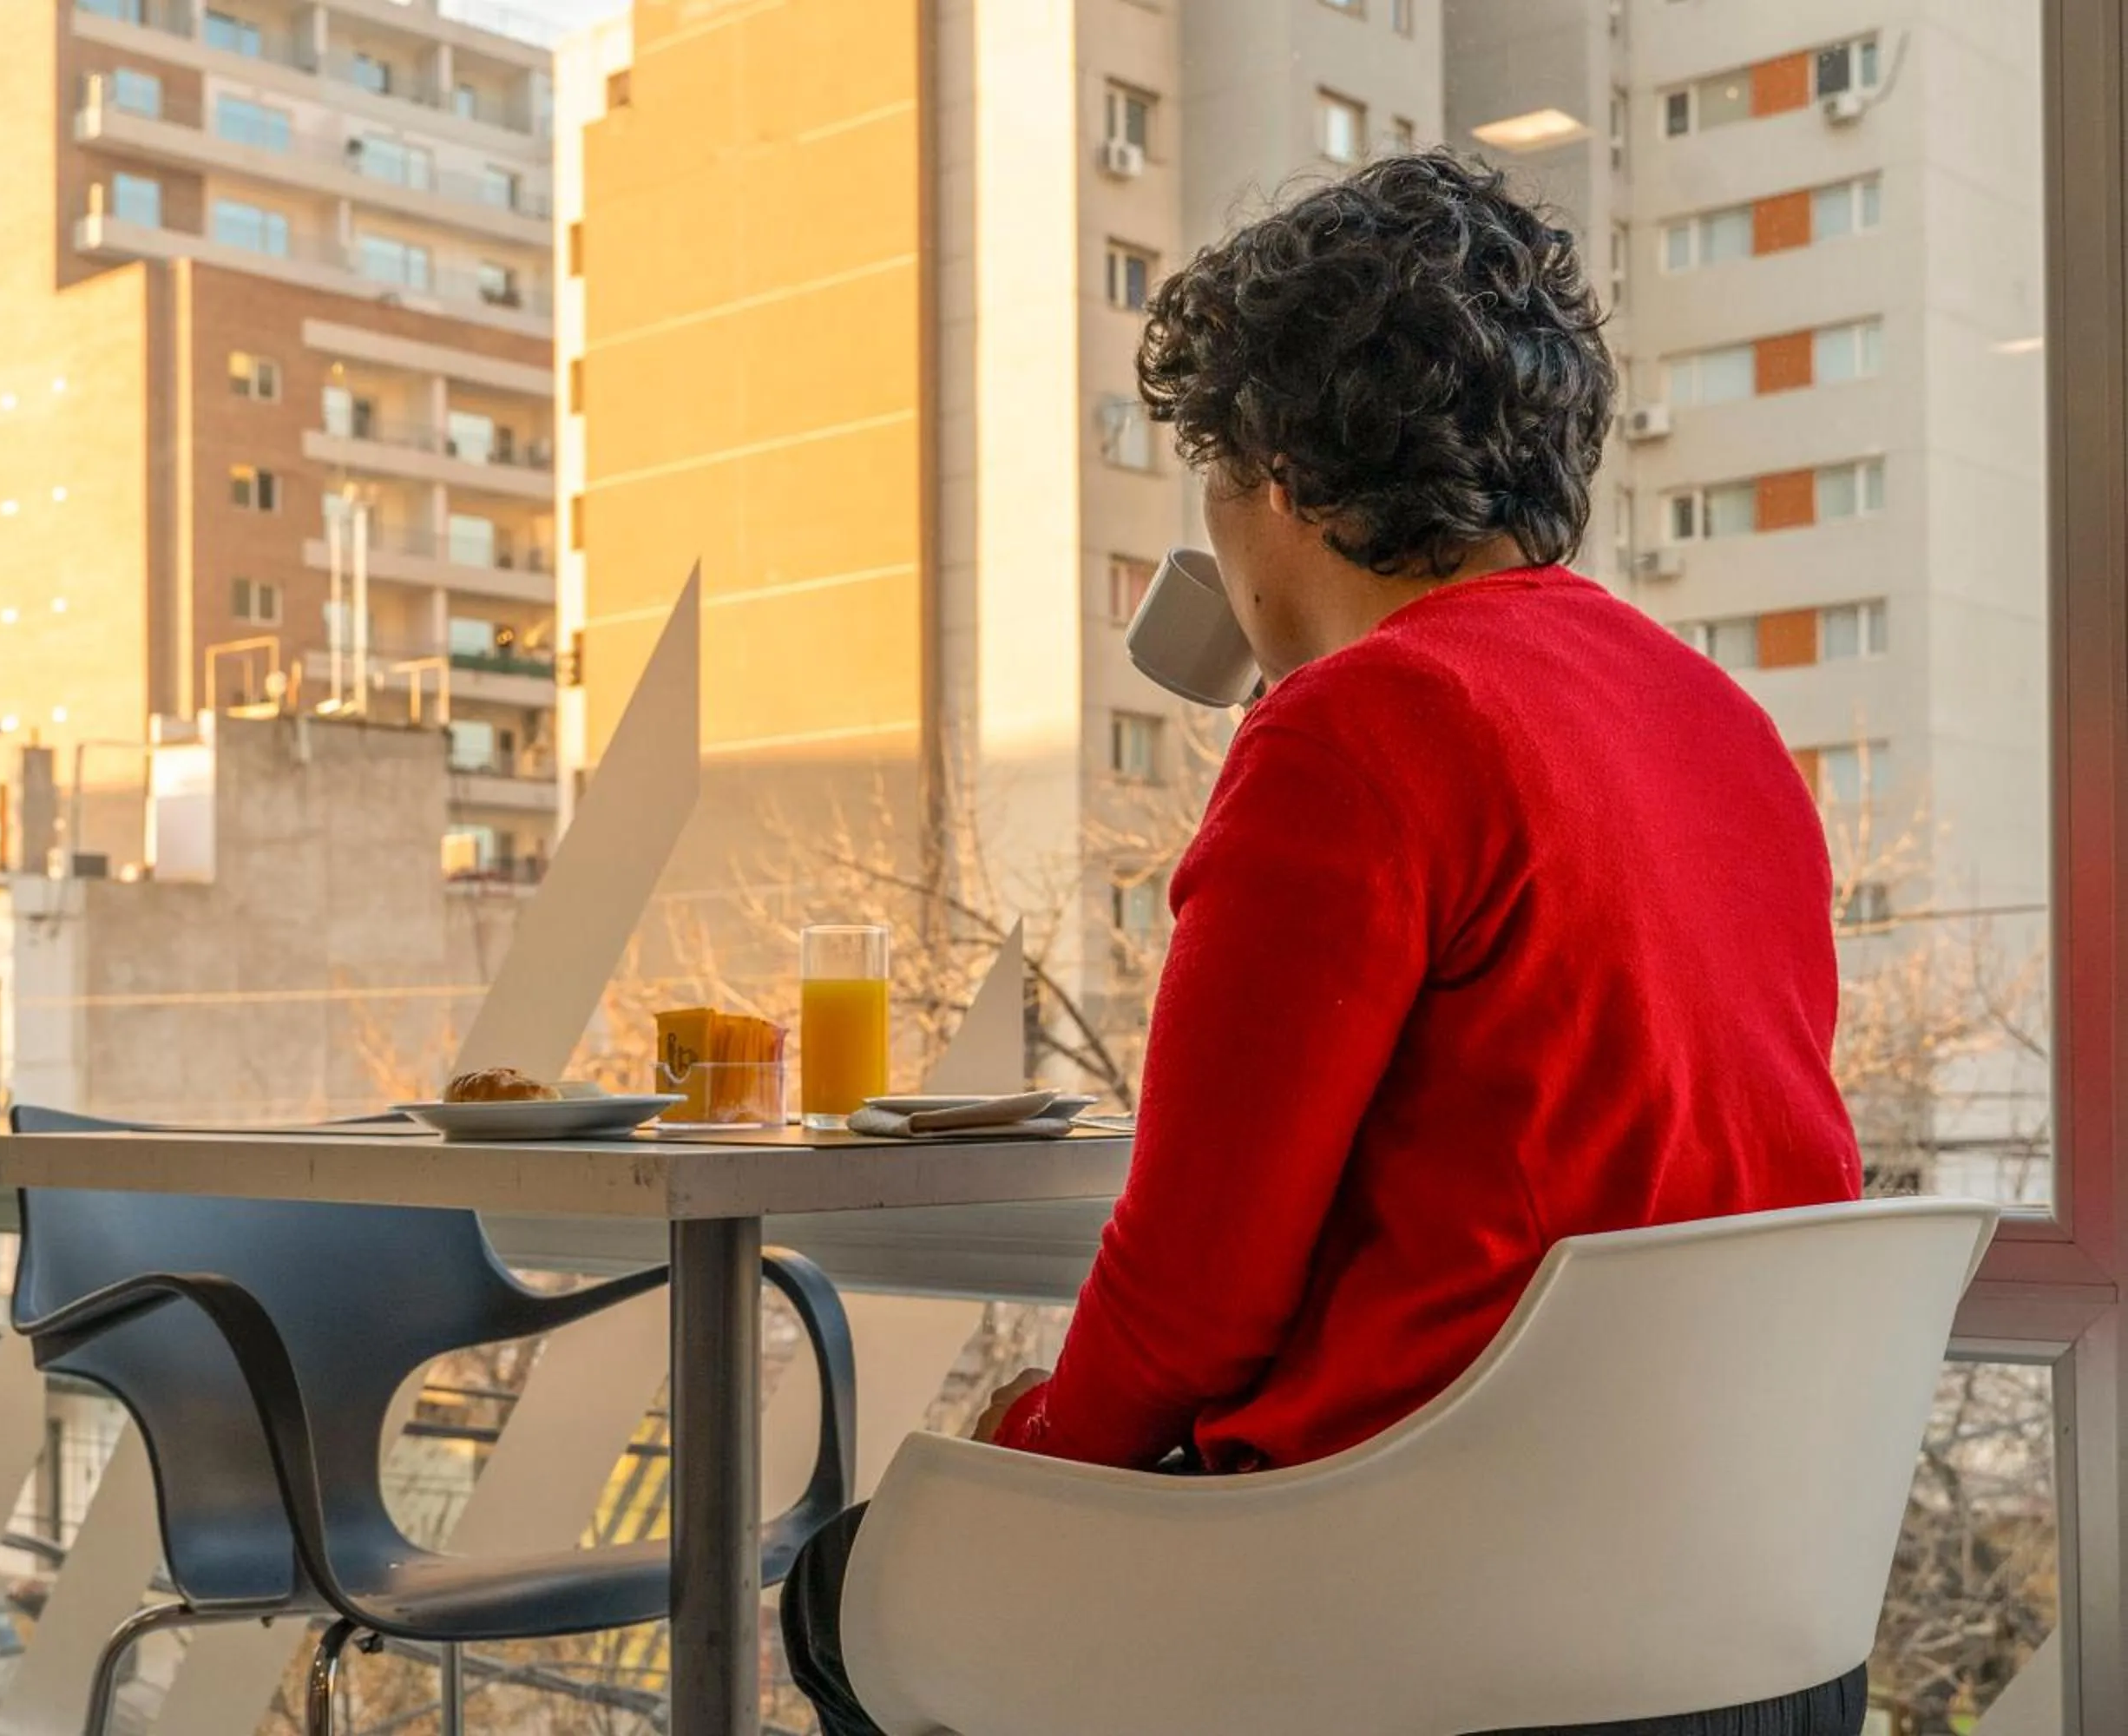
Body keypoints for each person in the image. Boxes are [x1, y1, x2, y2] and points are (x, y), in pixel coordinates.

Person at [784, 150, 1868, 1736]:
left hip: (1430, 1612)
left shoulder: (1358, 728)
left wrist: (1032, 1459)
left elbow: (1196, 1297)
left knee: (851, 1592)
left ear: (1276, 473)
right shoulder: (1724, 726)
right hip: (1752, 1621)